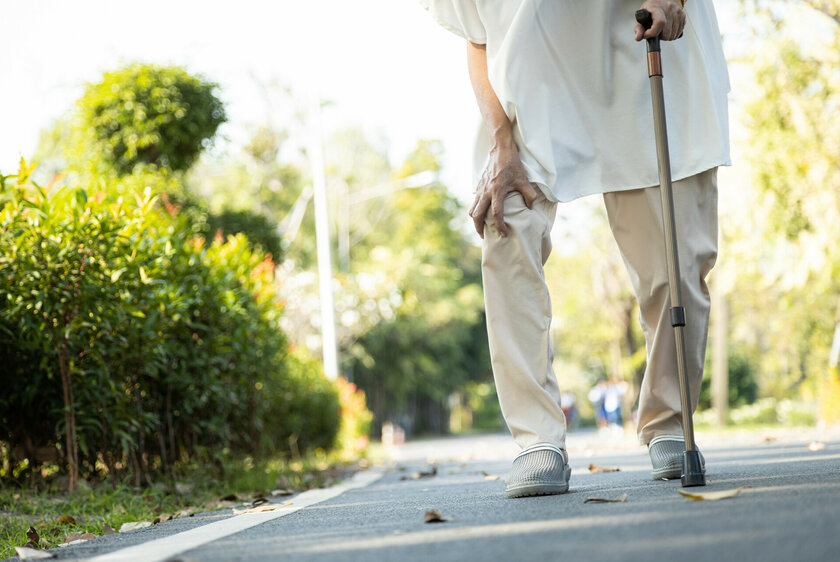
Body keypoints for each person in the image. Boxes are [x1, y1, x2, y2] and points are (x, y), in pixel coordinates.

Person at [419, 0, 728, 497]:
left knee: (677, 265)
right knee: (507, 228)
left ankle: (667, 419)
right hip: (533, 93)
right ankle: (536, 437)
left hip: (645, 63)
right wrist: (501, 139)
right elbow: (476, 38)